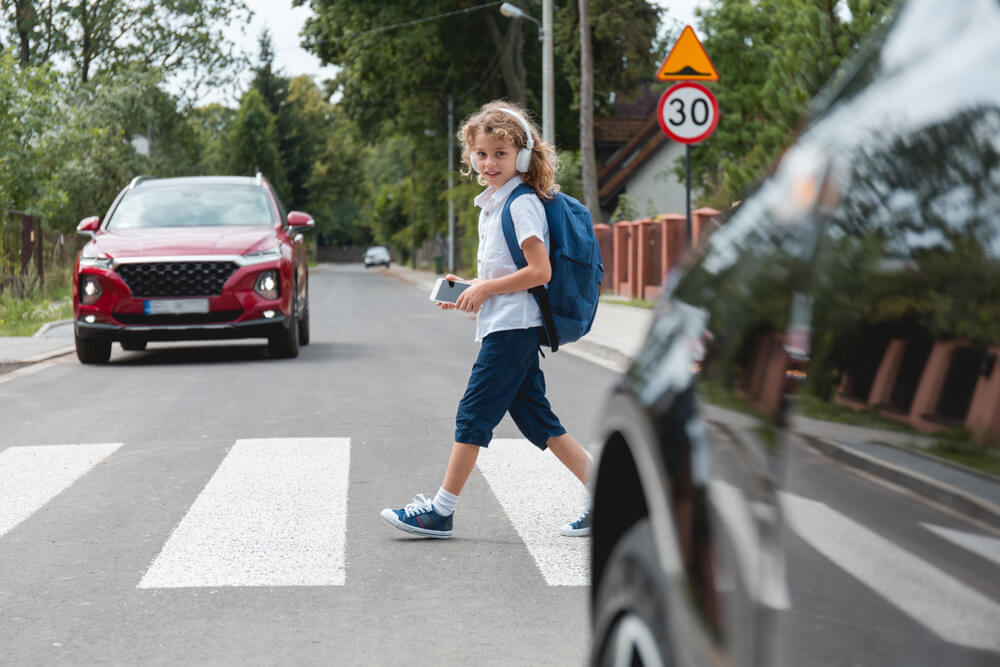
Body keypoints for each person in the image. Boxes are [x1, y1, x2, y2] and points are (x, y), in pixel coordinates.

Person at [380, 100, 593, 539]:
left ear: (520, 155)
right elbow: (507, 269)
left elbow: (540, 272)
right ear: (469, 156)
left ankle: (441, 510)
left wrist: (486, 290)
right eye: (481, 153)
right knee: (539, 421)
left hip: (513, 329)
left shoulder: (520, 204)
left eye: (500, 153)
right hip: (507, 323)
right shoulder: (496, 204)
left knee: (472, 415)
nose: (489, 162)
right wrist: (471, 285)